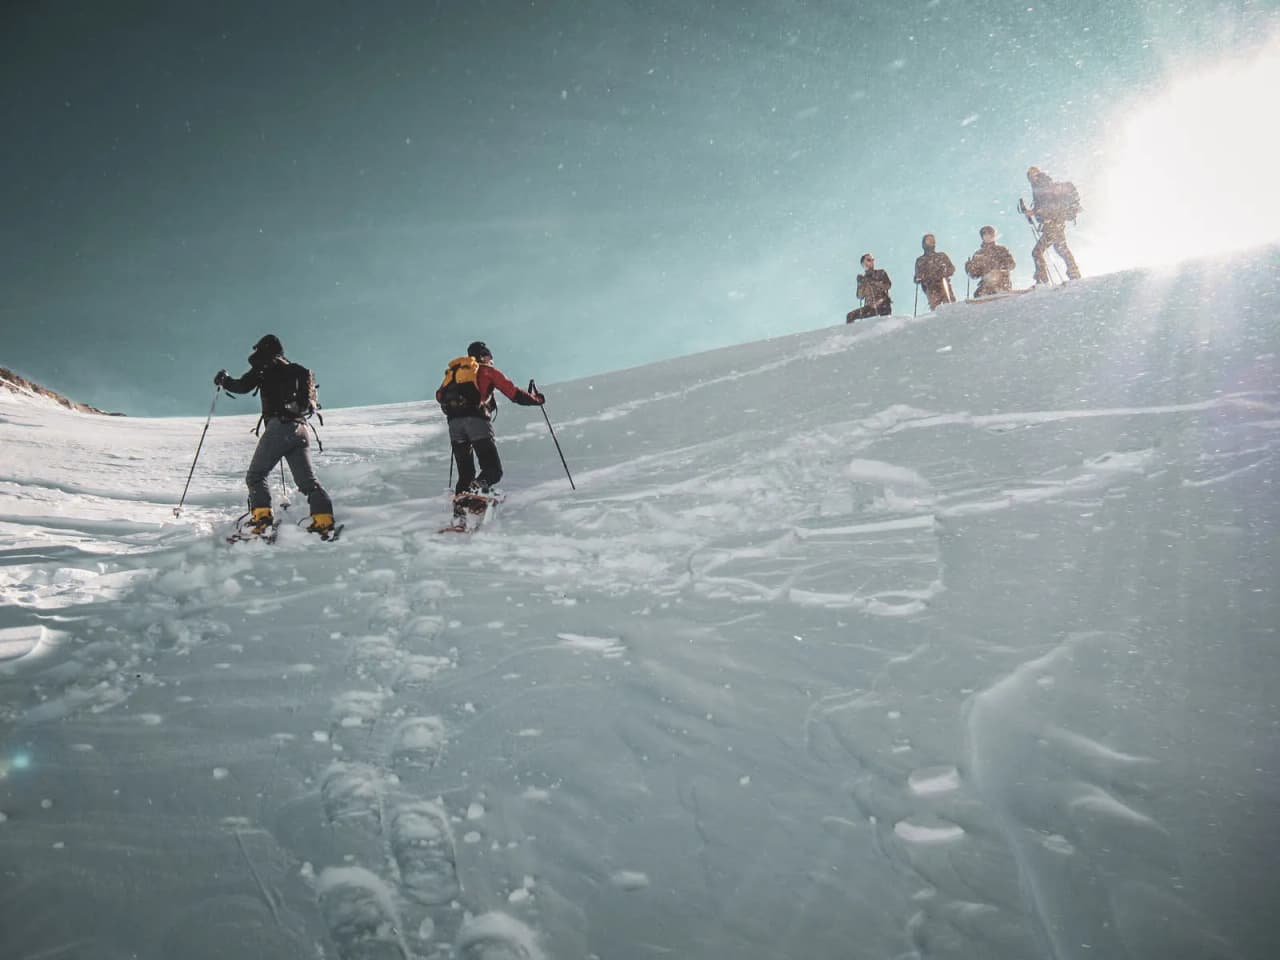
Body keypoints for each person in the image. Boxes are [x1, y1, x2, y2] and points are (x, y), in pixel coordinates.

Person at [214, 334, 335, 536]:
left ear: (264, 350)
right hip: (301, 428)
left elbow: (243, 386)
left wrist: (224, 380)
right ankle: (323, 519)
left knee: (255, 476)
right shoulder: (296, 370)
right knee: (308, 482)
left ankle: (262, 519)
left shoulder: (266, 366)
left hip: (280, 427)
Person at [435, 341, 544, 520]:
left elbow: (439, 396)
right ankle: (476, 490)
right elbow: (514, 394)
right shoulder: (487, 371)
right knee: (493, 470)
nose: (491, 360)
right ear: (484, 356)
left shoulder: (454, 373)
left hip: (454, 425)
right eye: (489, 356)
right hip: (476, 422)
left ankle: (460, 514)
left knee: (465, 473)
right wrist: (536, 399)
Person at [1024, 166, 1082, 284]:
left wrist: (1035, 212)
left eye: (1032, 175)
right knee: (1061, 249)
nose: (1031, 178)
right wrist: (1035, 211)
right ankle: (1074, 273)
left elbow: (1048, 205)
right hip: (1056, 222)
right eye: (1030, 176)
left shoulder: (1042, 184)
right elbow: (1047, 204)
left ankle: (1042, 279)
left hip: (1052, 223)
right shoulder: (1042, 185)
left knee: (1037, 251)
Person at [964, 225, 1017, 298]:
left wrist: (1000, 269)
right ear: (982, 237)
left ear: (994, 235)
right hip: (986, 284)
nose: (987, 236)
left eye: (990, 234)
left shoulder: (1001, 249)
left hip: (1002, 281)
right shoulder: (978, 254)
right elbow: (975, 274)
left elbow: (1012, 264)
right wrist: (969, 267)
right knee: (978, 294)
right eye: (985, 234)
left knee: (994, 281)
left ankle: (1001, 291)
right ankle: (983, 297)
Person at [913, 234, 956, 310]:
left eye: (932, 240)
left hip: (943, 282)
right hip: (930, 287)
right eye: (928, 240)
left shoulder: (941, 256)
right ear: (924, 244)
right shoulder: (921, 260)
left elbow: (951, 268)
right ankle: (937, 319)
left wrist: (945, 271)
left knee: (950, 303)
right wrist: (919, 278)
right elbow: (918, 275)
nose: (931, 242)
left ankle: (953, 316)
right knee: (936, 307)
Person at [846, 253, 892, 322]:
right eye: (869, 260)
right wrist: (860, 284)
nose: (872, 262)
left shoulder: (881, 273)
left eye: (872, 260)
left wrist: (872, 282)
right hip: (870, 307)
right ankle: (852, 331)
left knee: (885, 323)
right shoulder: (863, 280)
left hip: (883, 304)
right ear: (863, 264)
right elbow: (860, 296)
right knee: (850, 316)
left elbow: (888, 285)